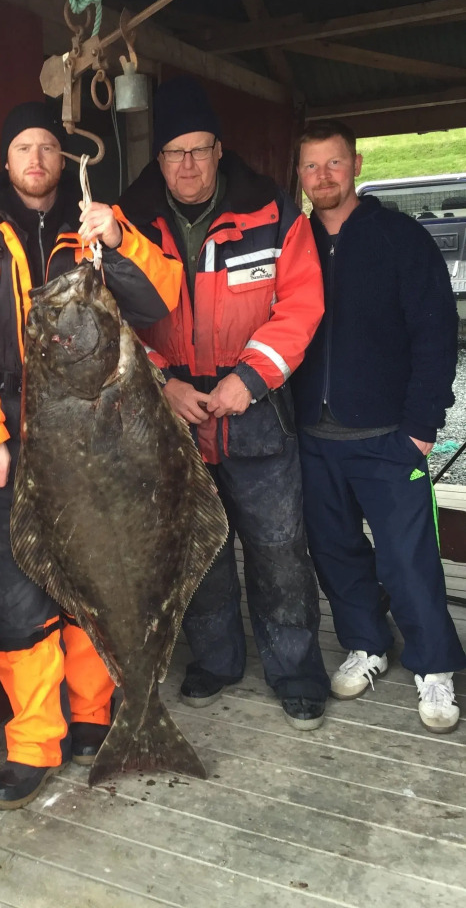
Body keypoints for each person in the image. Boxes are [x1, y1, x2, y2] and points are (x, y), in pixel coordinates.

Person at [0, 101, 183, 808]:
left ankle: (94, 716)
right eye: (24, 147)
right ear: (6, 160)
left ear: (63, 160)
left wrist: (120, 239)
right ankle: (34, 743)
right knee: (19, 600)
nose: (37, 158)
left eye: (47, 146)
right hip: (15, 447)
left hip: (96, 439)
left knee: (94, 580)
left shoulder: (97, 226)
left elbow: (160, 298)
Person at [119, 76, 330, 730]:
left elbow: (302, 305)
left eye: (199, 150)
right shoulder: (130, 221)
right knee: (199, 550)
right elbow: (113, 319)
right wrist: (161, 383)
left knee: (277, 549)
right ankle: (214, 660)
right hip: (175, 415)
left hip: (255, 411)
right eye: (175, 152)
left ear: (219, 151)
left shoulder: (272, 210)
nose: (188, 164)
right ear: (159, 161)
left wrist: (252, 377)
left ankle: (295, 669)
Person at [292, 119, 466, 732]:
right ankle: (367, 644)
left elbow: (436, 334)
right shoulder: (295, 243)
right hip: (313, 436)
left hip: (390, 436)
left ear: (356, 164)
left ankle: (434, 666)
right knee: (335, 552)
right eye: (311, 167)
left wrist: (422, 426)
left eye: (334, 164)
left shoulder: (401, 237)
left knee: (408, 557)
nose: (323, 177)